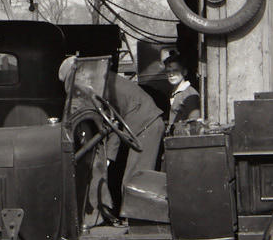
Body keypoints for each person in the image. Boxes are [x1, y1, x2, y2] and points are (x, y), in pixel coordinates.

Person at [60, 55, 162, 225]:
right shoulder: (100, 83)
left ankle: (140, 228)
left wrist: (108, 158)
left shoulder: (101, 85)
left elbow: (112, 123)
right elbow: (112, 122)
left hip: (146, 125)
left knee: (134, 182)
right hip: (138, 126)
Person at [163, 59, 202, 134]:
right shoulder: (176, 92)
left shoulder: (190, 94)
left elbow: (193, 125)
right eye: (168, 71)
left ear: (184, 72)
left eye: (175, 70)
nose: (171, 74)